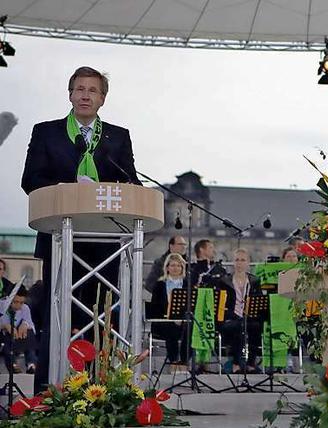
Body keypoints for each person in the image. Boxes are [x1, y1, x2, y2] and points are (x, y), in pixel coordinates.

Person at [20, 66, 140, 390]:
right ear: (70, 94)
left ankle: (96, 392)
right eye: (79, 89)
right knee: (56, 319)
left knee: (100, 320)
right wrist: (68, 190)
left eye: (93, 90)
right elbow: (30, 180)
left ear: (102, 99)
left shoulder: (118, 137)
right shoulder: (46, 132)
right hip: (60, 237)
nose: (85, 95)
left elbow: (131, 182)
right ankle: (48, 394)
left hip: (104, 243)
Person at [218, 249, 264, 373]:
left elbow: (258, 303)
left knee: (256, 326)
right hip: (230, 318)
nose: (239, 263)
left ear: (248, 263)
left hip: (249, 317)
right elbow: (221, 305)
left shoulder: (254, 281)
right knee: (237, 326)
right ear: (233, 262)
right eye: (237, 260)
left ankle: (250, 363)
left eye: (242, 260)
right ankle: (236, 364)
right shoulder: (224, 281)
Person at [147, 253, 189, 365]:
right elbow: (154, 308)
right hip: (163, 321)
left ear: (182, 268)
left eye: (178, 266)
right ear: (167, 268)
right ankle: (174, 360)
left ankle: (184, 360)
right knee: (171, 327)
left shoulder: (187, 284)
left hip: (182, 321)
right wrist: (170, 317)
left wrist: (180, 319)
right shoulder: (160, 285)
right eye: (172, 265)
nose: (175, 268)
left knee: (190, 327)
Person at [1, 289, 38, 374]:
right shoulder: (1, 306)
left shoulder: (25, 308)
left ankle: (31, 363)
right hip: (4, 336)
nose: (18, 305)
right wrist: (5, 326)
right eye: (15, 302)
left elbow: (32, 326)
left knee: (29, 333)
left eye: (21, 303)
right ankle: (12, 363)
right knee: (7, 335)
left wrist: (25, 324)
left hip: (18, 336)